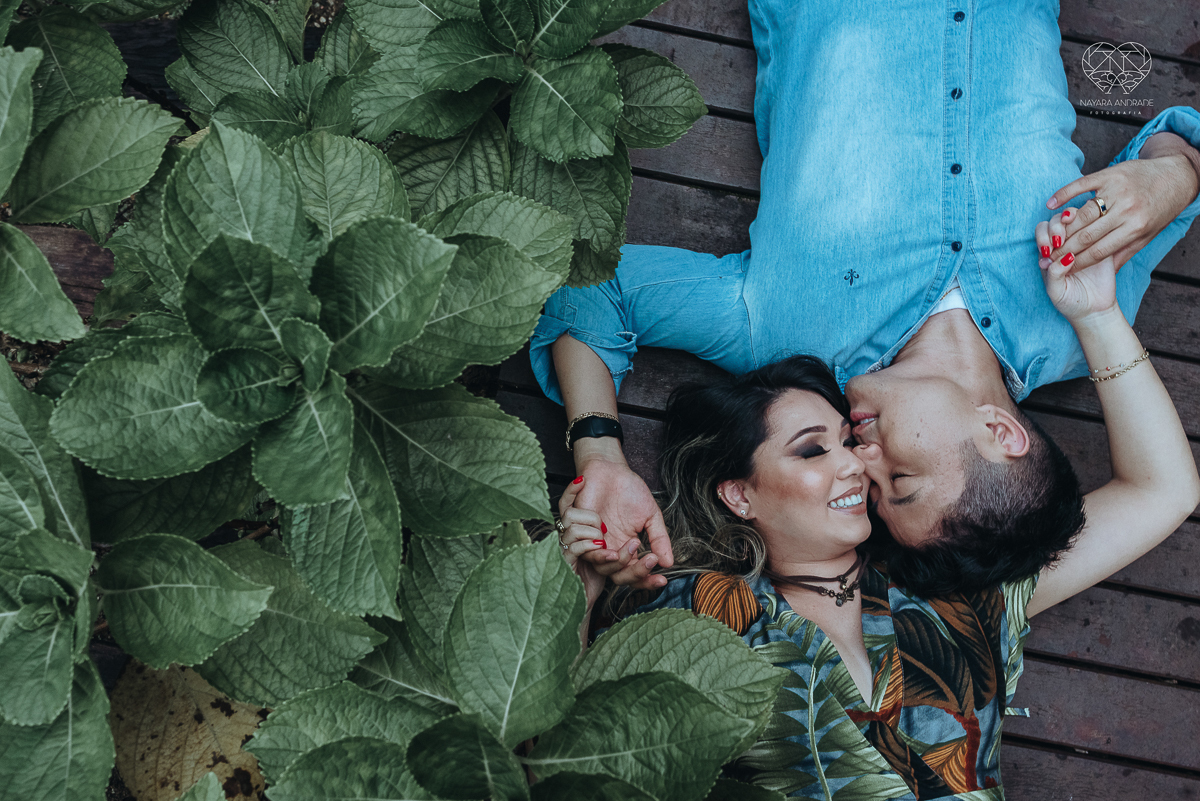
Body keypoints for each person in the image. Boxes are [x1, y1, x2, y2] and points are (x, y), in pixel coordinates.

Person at [531, 0, 1200, 594]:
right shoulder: (1080, 320)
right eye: (898, 479)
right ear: (999, 432)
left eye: (870, 493)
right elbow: (1176, 150)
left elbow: (594, 285)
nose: (857, 459)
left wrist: (600, 457)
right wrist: (1172, 177)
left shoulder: (787, 332)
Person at [553, 237, 1199, 797]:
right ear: (738, 494)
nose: (856, 465)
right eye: (811, 448)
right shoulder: (687, 612)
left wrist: (1099, 313)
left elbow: (1162, 489)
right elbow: (564, 748)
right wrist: (584, 557)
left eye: (848, 442)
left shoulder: (958, 600)